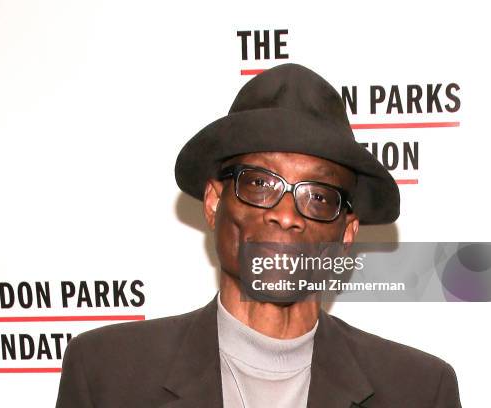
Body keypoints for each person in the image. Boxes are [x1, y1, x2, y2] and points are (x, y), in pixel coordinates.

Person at [55, 63, 461, 407]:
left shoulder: (420, 391)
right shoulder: (106, 376)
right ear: (214, 202)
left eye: (317, 196)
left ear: (346, 233)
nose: (286, 216)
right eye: (260, 184)